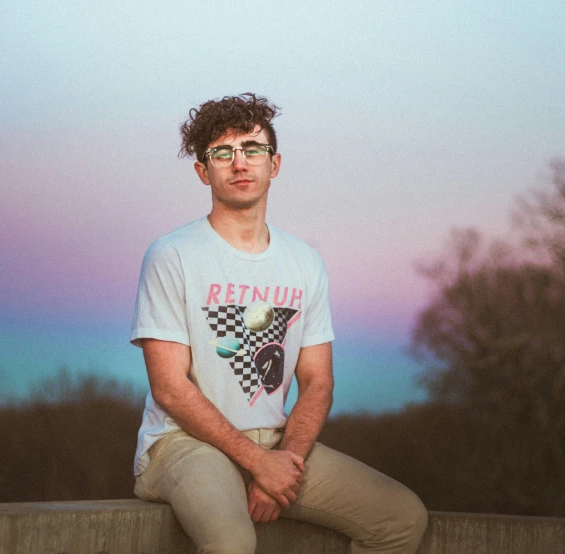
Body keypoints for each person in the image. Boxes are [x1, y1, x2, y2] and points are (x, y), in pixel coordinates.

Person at [130, 93, 428, 553]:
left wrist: (282, 461)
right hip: (183, 444)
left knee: (401, 518)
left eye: (252, 150)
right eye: (222, 153)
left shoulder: (304, 262)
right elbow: (170, 387)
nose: (239, 163)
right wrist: (255, 461)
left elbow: (318, 382)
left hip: (275, 442)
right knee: (232, 543)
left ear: (275, 163)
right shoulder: (173, 255)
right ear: (202, 171)